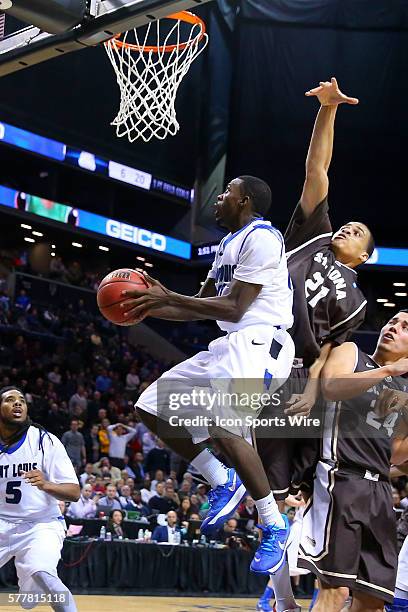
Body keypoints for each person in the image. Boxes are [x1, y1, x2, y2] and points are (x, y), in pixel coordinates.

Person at [121, 175, 295, 574]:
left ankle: (274, 526)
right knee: (151, 407)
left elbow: (234, 307)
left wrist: (167, 297)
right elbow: (198, 306)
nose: (218, 200)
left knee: (225, 425)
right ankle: (221, 479)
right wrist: (147, 309)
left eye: (225, 194)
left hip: (260, 343)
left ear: (245, 200)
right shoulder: (225, 246)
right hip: (228, 345)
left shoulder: (263, 238)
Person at [256, 77, 373, 612]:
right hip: (262, 345)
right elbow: (316, 171)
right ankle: (280, 586)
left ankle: (298, 585)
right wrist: (328, 111)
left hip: (300, 372)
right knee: (193, 413)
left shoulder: (356, 303)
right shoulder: (314, 236)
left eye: (357, 232)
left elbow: (333, 347)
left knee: (299, 489)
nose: (346, 226)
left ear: (366, 256)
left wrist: (313, 389)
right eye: (345, 223)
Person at [298, 310, 408, 612]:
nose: (393, 327)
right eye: (392, 322)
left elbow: (395, 454)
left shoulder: (405, 392)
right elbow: (331, 387)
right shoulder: (352, 353)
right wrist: (388, 371)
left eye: (405, 327)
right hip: (340, 479)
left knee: (373, 600)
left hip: (381, 491)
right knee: (335, 591)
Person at [0, 386, 80, 611]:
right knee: (29, 599)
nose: (17, 403)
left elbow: (74, 492)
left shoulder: (44, 440)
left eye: (22, 401)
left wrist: (46, 485)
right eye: (10, 400)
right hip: (2, 522)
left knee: (44, 577)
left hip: (40, 524)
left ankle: (34, 581)